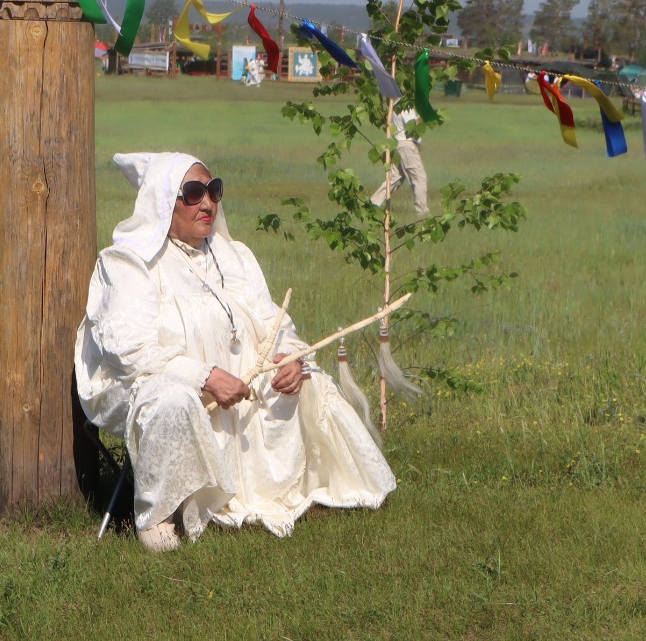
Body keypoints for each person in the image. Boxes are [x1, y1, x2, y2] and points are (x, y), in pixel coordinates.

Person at [75, 152, 396, 551]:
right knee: (173, 399)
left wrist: (291, 358)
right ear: (163, 203)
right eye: (193, 193)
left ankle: (280, 491)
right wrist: (203, 376)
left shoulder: (233, 255)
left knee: (306, 380)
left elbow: (273, 322)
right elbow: (128, 350)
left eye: (214, 190)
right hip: (144, 383)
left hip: (235, 381)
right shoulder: (128, 262)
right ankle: (159, 513)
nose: (208, 202)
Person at [369, 107, 428, 216]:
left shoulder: (395, 104)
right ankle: (421, 210)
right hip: (407, 145)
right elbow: (413, 125)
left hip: (398, 144)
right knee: (419, 177)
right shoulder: (406, 107)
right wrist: (424, 116)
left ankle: (373, 203)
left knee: (395, 178)